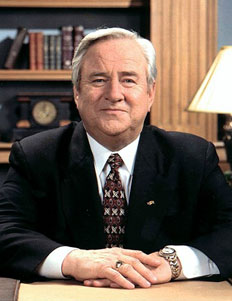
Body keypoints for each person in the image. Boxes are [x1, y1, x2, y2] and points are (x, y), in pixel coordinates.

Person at [0, 27, 232, 289]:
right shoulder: (36, 156)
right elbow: (5, 232)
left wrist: (174, 262)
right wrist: (73, 260)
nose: (114, 93)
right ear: (77, 92)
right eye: (98, 80)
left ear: (150, 93)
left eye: (129, 80)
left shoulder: (192, 157)